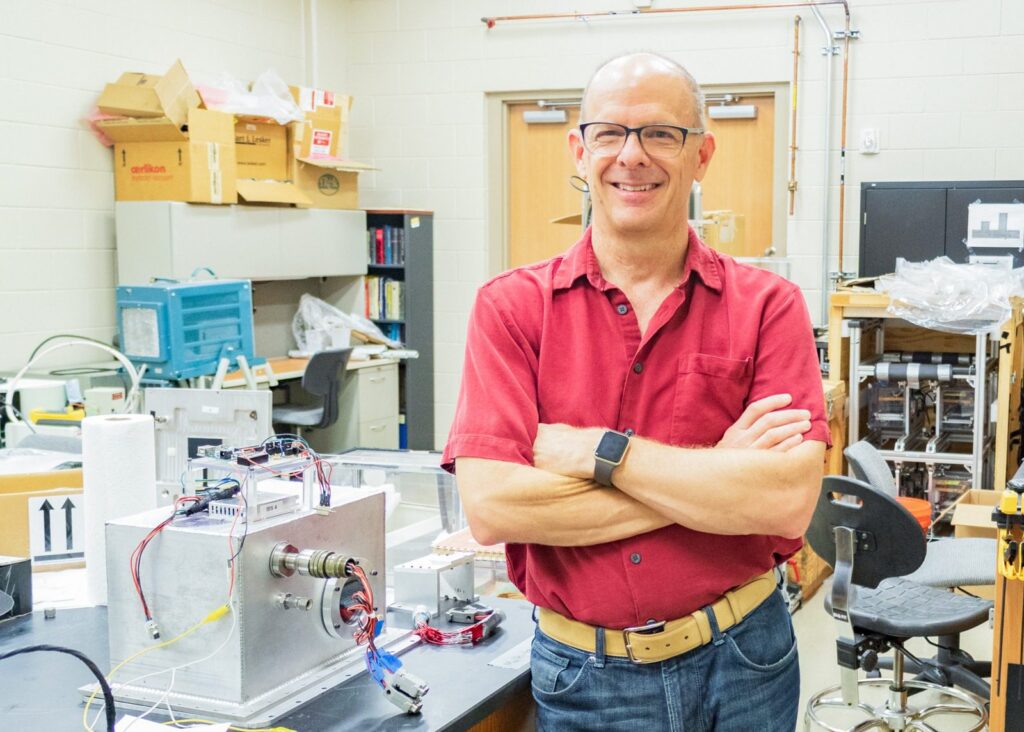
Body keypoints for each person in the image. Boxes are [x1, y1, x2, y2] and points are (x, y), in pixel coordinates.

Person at [442, 52, 829, 731]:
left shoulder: (770, 305)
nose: (632, 156)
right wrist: (715, 474)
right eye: (610, 133)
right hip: (585, 674)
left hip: (745, 659)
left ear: (701, 154)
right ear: (579, 148)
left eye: (659, 133)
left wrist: (598, 451)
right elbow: (493, 507)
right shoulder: (511, 310)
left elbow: (788, 503)